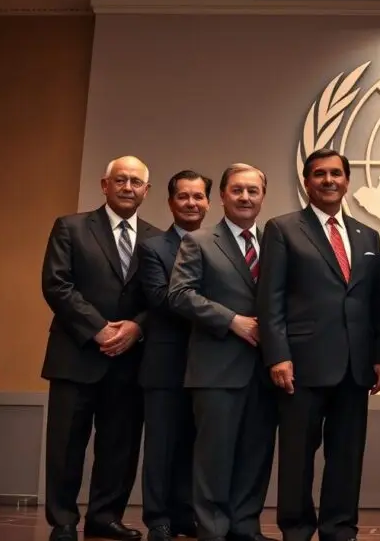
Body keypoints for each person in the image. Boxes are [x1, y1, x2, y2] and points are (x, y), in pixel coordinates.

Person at [257, 149, 380, 541]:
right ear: (307, 182)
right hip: (301, 364)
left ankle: (339, 528)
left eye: (335, 173)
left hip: (355, 366)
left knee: (347, 455)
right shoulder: (283, 229)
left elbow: (377, 303)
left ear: (347, 181)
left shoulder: (367, 235)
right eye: (319, 174)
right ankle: (296, 529)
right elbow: (270, 299)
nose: (328, 180)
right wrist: (278, 355)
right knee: (297, 454)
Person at [40, 155, 161, 541]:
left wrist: (137, 328)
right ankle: (63, 521)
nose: (128, 187)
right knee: (66, 446)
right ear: (104, 185)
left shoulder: (157, 239)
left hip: (129, 360)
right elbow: (57, 284)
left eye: (136, 182)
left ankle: (105, 518)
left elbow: (161, 299)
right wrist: (98, 328)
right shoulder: (71, 227)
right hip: (76, 354)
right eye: (120, 180)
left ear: (146, 190)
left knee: (120, 446)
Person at [168, 164, 278, 541]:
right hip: (216, 368)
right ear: (222, 196)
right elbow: (179, 294)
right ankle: (213, 530)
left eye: (253, 191)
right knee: (214, 456)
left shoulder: (275, 242)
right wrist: (232, 321)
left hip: (264, 369)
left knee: (256, 454)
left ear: (263, 197)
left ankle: (246, 527)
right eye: (237, 190)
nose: (245, 197)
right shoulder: (199, 240)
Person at [137, 170, 212, 541]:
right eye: (183, 196)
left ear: (208, 203)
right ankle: (158, 519)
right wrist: (218, 312)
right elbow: (161, 299)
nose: (191, 203)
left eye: (198, 196)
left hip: (208, 363)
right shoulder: (152, 247)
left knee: (194, 444)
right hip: (165, 363)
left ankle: (185, 515)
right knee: (161, 445)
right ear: (170, 202)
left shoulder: (216, 245)